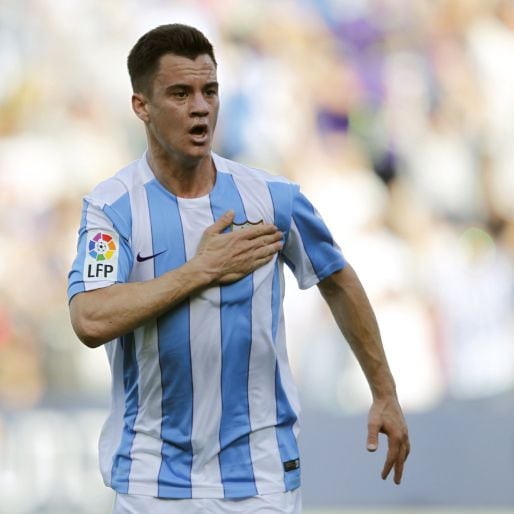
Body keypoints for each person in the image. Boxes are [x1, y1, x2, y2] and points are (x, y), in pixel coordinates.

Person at [67, 24, 409, 514]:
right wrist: (200, 270)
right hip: (150, 480)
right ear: (141, 106)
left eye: (210, 91)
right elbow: (90, 319)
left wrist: (384, 393)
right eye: (180, 93)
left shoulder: (272, 198)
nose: (200, 106)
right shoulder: (111, 208)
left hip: (259, 477)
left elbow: (338, 279)